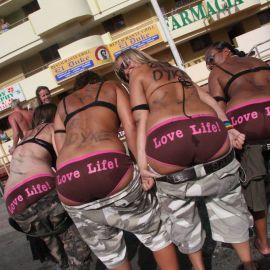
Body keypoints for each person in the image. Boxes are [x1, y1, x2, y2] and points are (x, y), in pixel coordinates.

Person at [114, 48, 255, 270]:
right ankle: (249, 265)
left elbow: (141, 120)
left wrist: (142, 166)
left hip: (169, 140)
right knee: (231, 207)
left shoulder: (137, 76)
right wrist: (229, 127)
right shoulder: (176, 70)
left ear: (138, 61)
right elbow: (206, 98)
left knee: (182, 217)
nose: (126, 70)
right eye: (122, 70)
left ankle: (200, 269)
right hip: (209, 131)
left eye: (126, 64)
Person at [54, 70, 180, 270]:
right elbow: (130, 126)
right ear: (98, 82)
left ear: (77, 89)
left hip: (69, 178)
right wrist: (142, 165)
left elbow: (59, 147)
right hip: (107, 163)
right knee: (155, 234)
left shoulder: (63, 104)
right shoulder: (111, 87)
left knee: (111, 254)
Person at [4, 103, 92, 270]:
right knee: (74, 244)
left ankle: (63, 266)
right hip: (40, 188)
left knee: (54, 248)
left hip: (13, 202)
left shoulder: (26, 137)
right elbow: (64, 161)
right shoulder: (52, 128)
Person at [205, 41, 270, 257]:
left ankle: (263, 243)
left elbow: (219, 108)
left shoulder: (218, 71)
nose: (208, 65)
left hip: (247, 120)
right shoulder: (258, 61)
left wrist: (227, 134)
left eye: (210, 59)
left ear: (226, 52)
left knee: (255, 185)